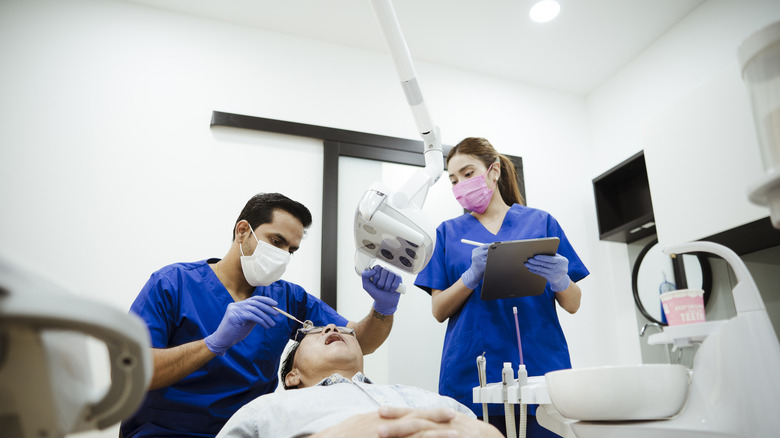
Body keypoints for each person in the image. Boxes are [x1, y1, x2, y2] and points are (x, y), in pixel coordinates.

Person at [120, 193, 403, 438]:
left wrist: (383, 308)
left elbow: (359, 341)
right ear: (242, 231)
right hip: (166, 431)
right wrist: (213, 344)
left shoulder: (287, 298)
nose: (283, 255)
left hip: (249, 431)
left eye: (291, 250)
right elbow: (131, 373)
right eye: (276, 242)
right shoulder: (173, 284)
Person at [414, 138, 590, 437]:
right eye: (453, 180)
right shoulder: (446, 233)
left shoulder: (541, 222)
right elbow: (439, 310)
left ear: (494, 171)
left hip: (540, 362)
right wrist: (470, 276)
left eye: (468, 174)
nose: (460, 185)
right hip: (472, 370)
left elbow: (573, 304)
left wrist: (560, 279)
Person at [217, 324, 503, 438]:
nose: (331, 327)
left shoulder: (427, 398)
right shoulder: (267, 410)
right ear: (293, 376)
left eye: (344, 329)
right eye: (314, 330)